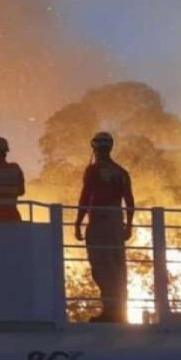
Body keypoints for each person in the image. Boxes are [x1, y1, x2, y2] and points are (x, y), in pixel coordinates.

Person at [74, 131, 135, 322]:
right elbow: (129, 201)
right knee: (117, 265)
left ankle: (111, 311)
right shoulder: (121, 172)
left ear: (95, 148)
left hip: (99, 220)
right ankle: (119, 310)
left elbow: (86, 196)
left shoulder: (94, 170)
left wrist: (78, 222)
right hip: (117, 220)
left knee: (101, 265)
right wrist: (128, 226)